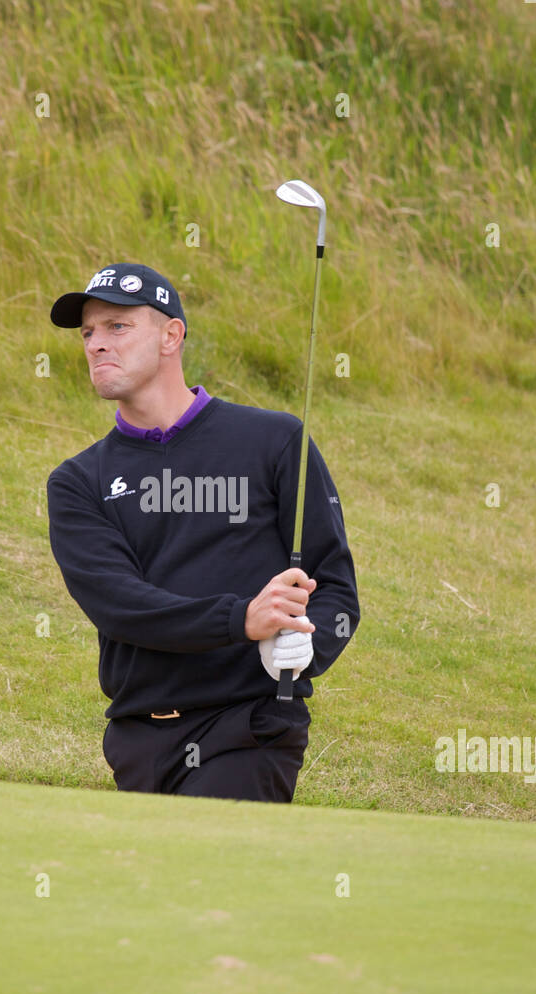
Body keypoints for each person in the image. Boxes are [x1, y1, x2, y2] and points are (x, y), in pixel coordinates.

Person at [45, 261, 360, 803]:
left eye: (118, 327)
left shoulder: (275, 441)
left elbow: (334, 588)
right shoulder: (78, 481)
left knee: (220, 879)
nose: (97, 344)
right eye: (89, 333)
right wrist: (242, 619)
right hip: (136, 738)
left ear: (172, 335)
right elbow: (121, 605)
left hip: (248, 728)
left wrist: (307, 647)